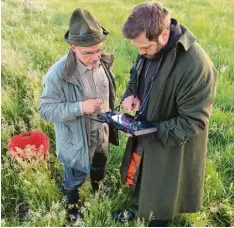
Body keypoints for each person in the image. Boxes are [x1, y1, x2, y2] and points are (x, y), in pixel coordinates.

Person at [119, 2, 217, 226]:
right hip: (145, 126)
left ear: (164, 34)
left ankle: (157, 220)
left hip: (171, 141)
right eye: (138, 48)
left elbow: (194, 120)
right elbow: (138, 70)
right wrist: (131, 91)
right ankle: (138, 208)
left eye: (145, 47)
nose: (141, 53)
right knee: (141, 174)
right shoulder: (149, 45)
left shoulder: (196, 65)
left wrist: (149, 132)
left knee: (163, 185)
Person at [39, 8, 118, 221]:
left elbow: (108, 93)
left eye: (98, 50)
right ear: (73, 47)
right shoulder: (58, 74)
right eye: (88, 53)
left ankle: (97, 190)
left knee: (99, 166)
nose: (95, 58)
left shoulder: (102, 62)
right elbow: (45, 110)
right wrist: (80, 107)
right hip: (76, 142)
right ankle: (73, 212)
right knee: (73, 179)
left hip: (101, 133)